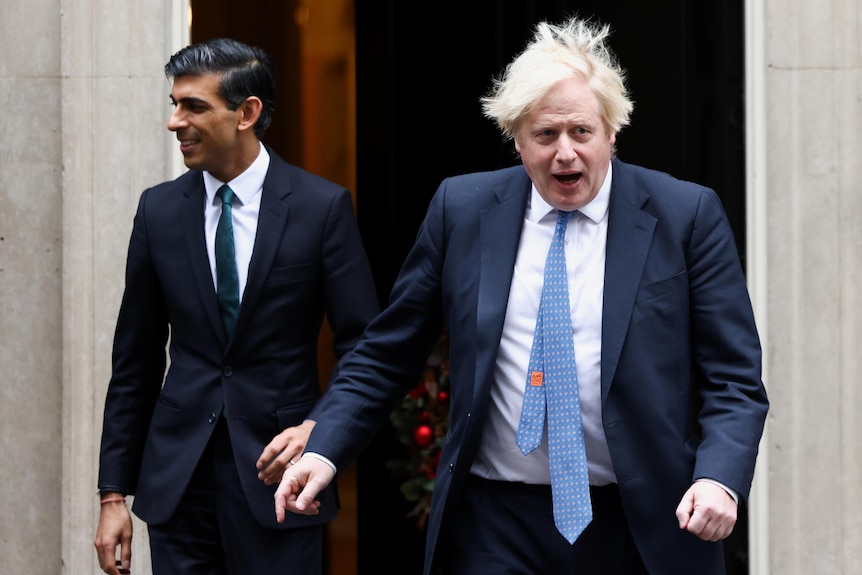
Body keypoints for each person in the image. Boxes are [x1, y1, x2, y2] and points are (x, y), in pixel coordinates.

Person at [274, 16, 769, 575]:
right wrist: (324, 448)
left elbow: (733, 377)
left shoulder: (686, 215)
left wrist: (719, 478)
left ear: (612, 131)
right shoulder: (461, 209)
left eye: (581, 132)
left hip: (645, 521)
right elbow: (388, 351)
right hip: (495, 520)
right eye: (545, 134)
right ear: (516, 139)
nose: (564, 153)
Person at [93, 37, 380, 575]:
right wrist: (113, 495)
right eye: (174, 104)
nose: (175, 121)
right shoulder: (158, 211)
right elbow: (134, 360)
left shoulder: (322, 208)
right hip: (177, 484)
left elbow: (363, 348)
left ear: (247, 113)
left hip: (283, 480)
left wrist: (320, 431)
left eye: (194, 106)